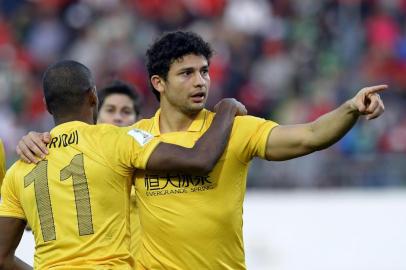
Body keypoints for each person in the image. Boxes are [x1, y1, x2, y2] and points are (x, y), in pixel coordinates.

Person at [17, 31, 386, 269]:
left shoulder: (236, 130)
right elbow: (81, 152)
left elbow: (309, 135)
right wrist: (37, 140)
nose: (200, 81)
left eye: (204, 71)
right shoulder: (134, 139)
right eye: (187, 73)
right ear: (158, 83)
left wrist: (351, 107)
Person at [0, 60, 246, 269]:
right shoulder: (116, 140)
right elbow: (199, 159)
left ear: (45, 104)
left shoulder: (20, 168)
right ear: (93, 96)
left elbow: (2, 258)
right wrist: (227, 108)